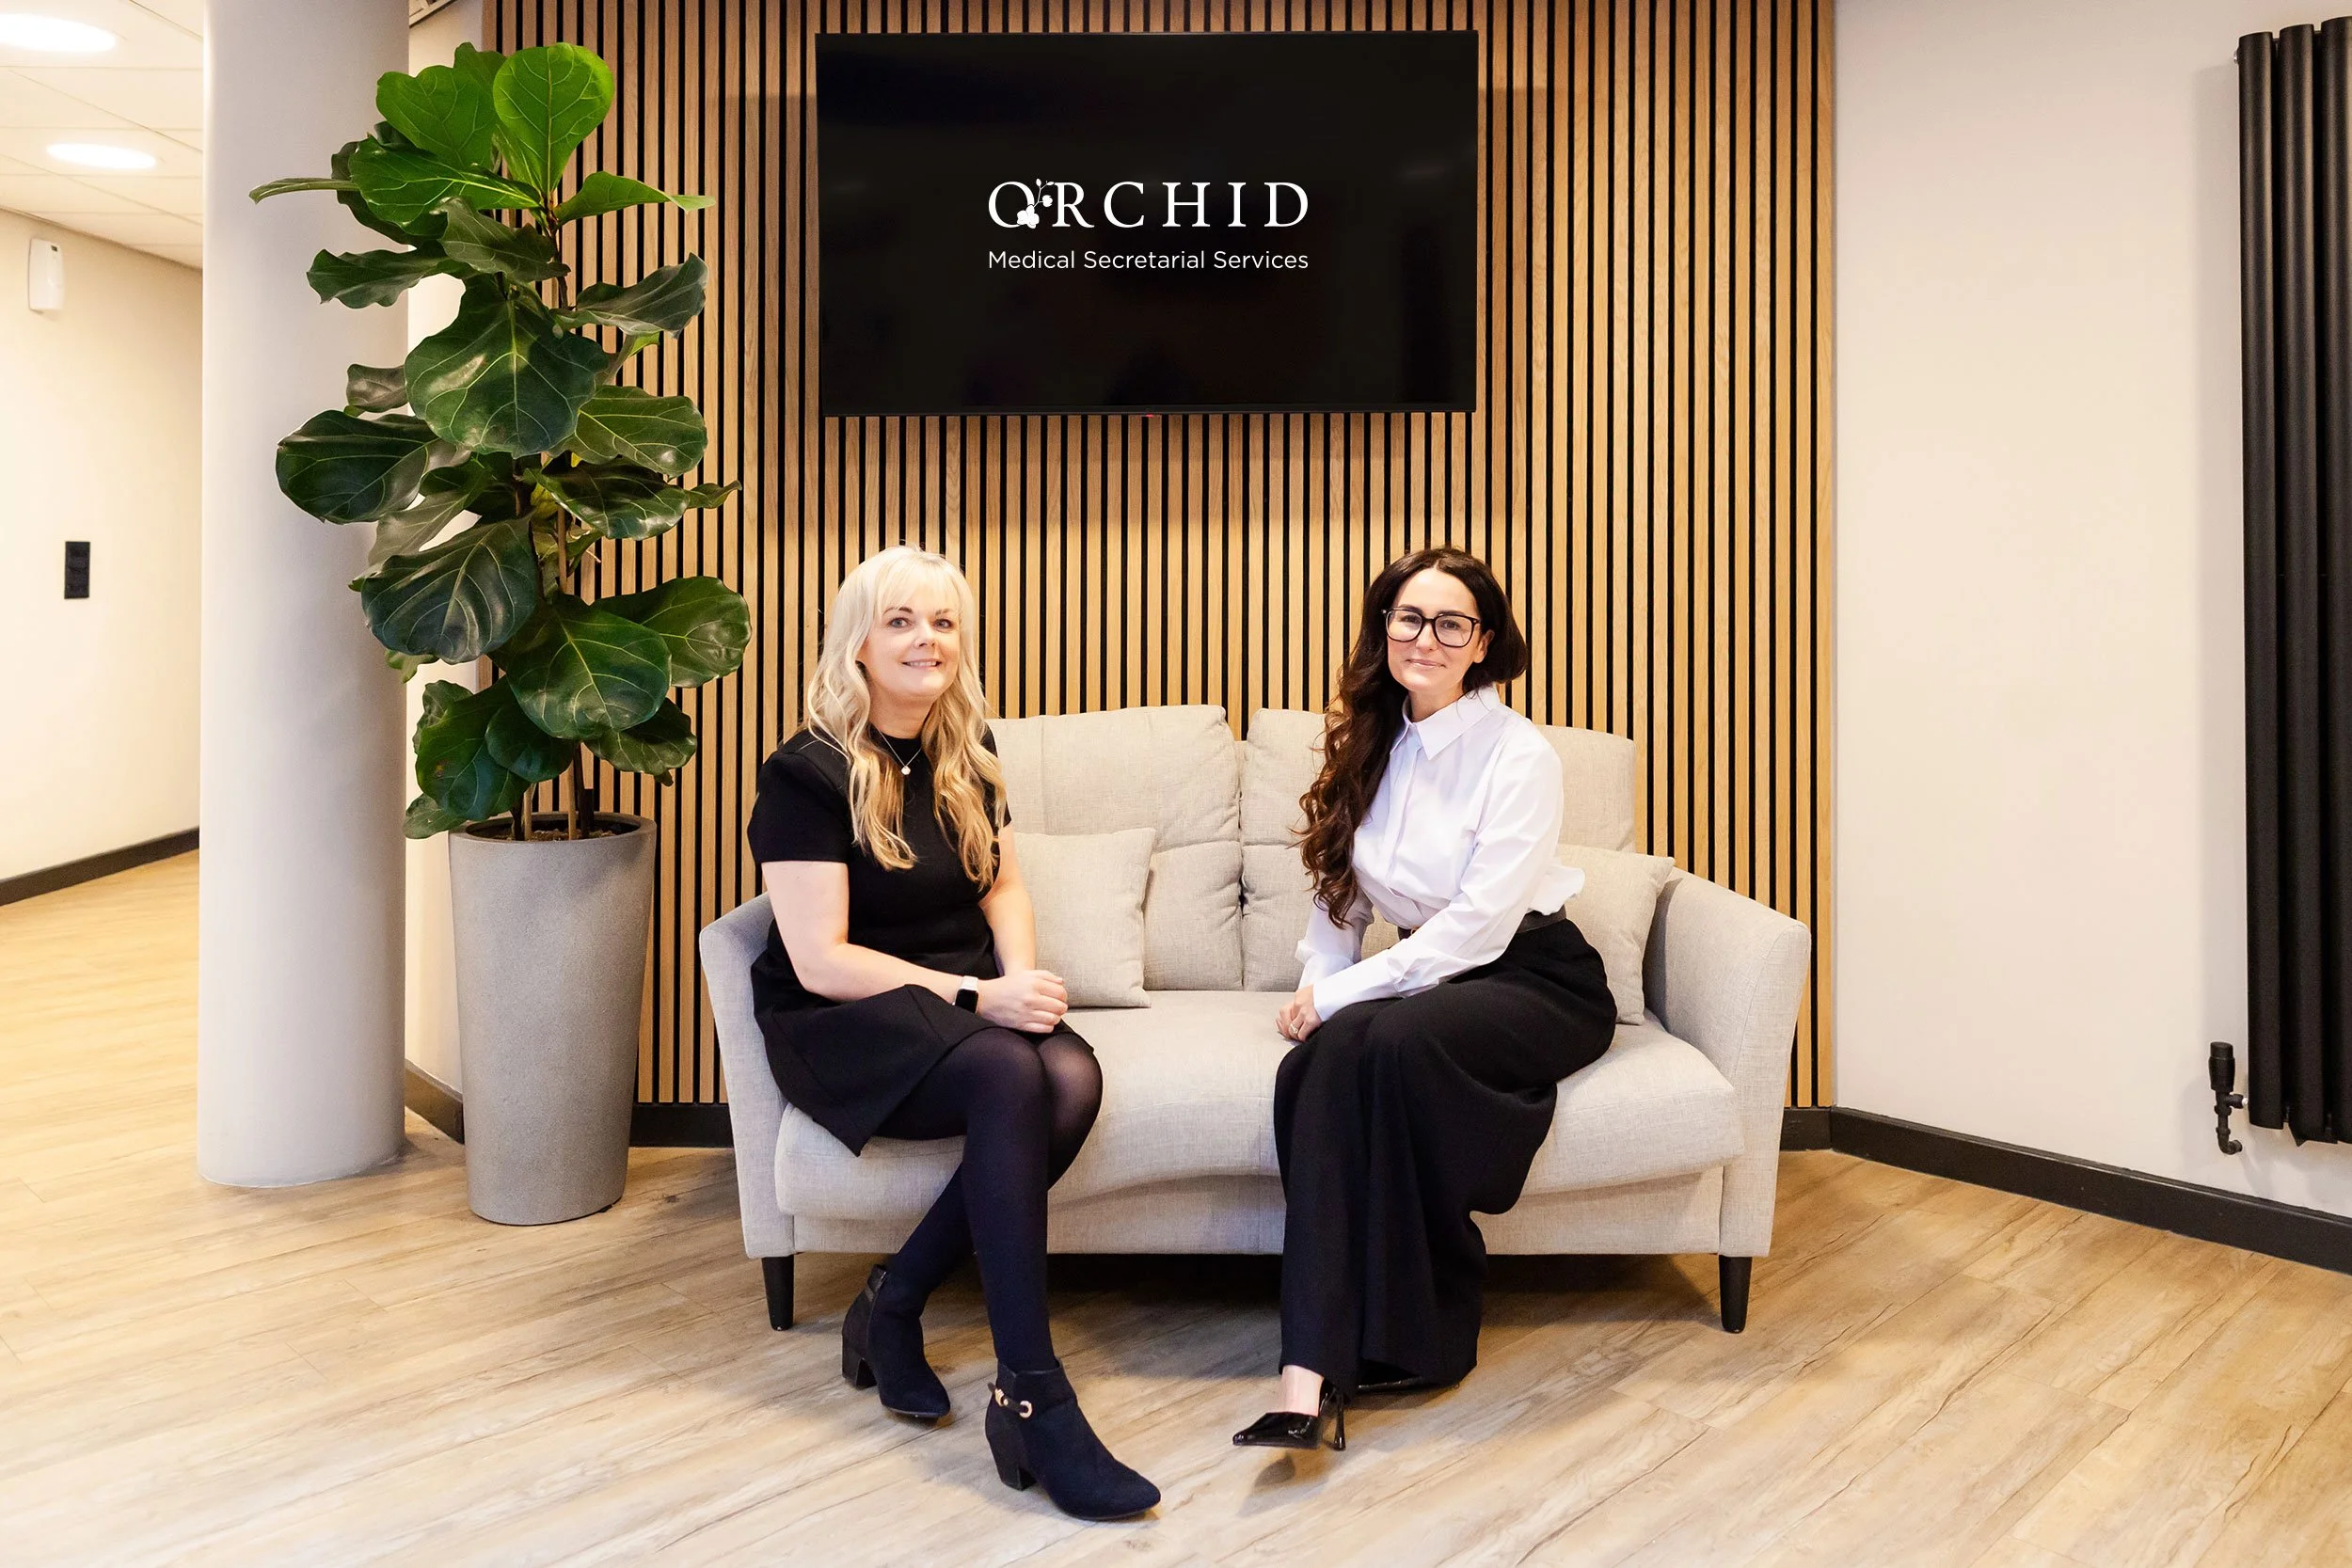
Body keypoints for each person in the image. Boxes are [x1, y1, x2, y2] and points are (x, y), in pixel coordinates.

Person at [748, 545, 1157, 1520]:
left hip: (951, 1001)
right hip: (842, 1020)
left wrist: (1016, 976)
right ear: (855, 643)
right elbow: (820, 959)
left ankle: (892, 1299)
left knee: (1070, 1079)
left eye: (943, 622)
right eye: (899, 620)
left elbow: (1003, 881)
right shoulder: (805, 772)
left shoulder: (964, 754)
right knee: (1014, 1079)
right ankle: (1031, 1393)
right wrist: (979, 1002)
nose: (925, 639)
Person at [1232, 546, 1619, 1452]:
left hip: (1533, 976)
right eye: (1410, 618)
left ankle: (1423, 1338)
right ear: (1385, 630)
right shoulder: (1375, 738)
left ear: (1483, 643)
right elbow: (1343, 897)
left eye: (1453, 623)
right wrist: (1317, 990)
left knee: (1384, 1046)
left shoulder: (1519, 755)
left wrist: (1345, 999)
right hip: (1431, 980)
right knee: (1317, 1068)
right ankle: (1309, 1374)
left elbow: (1478, 931)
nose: (1427, 638)